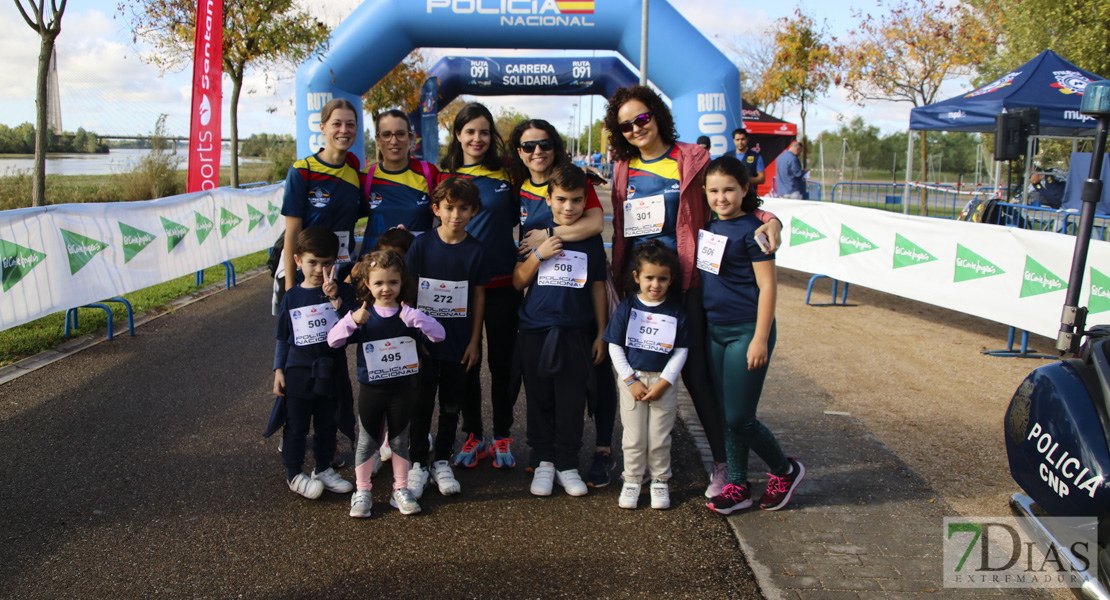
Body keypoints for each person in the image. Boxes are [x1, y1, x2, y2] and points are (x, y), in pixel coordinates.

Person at [604, 85, 783, 499]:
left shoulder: (691, 158)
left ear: (657, 115)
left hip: (688, 283)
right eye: (626, 125)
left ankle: (725, 465)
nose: (635, 128)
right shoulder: (623, 167)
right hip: (643, 288)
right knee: (639, 366)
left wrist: (771, 218)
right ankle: (639, 466)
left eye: (642, 118)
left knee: (698, 374)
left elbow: (732, 197)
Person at [508, 119, 616, 487]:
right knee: (538, 397)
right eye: (561, 200)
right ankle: (543, 462)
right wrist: (539, 252)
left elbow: (598, 286)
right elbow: (518, 279)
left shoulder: (586, 236)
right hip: (536, 326)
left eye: (575, 201)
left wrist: (601, 332)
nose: (569, 207)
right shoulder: (529, 211)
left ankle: (568, 462)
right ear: (549, 199)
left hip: (576, 329)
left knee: (571, 398)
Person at [699, 156, 804, 514]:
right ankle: (738, 486)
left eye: (729, 189)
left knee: (739, 417)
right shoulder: (708, 225)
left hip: (746, 331)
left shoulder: (754, 231)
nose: (721, 197)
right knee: (728, 412)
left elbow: (768, 286)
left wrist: (760, 338)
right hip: (715, 331)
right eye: (714, 190)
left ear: (745, 189)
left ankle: (785, 470)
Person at [327, 251, 445, 517]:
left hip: (402, 390)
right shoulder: (364, 314)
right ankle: (363, 491)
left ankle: (400, 490)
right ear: (367, 284)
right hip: (371, 390)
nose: (386, 289)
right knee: (367, 443)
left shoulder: (408, 315)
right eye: (378, 283)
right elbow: (332, 341)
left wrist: (419, 320)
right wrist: (350, 321)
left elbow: (439, 336)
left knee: (400, 441)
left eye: (392, 282)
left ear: (401, 282)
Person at [440, 103, 520, 469]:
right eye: (470, 131)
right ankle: (473, 434)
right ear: (457, 134)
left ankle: (502, 434)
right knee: (465, 364)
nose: (477, 138)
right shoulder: (444, 175)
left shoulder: (508, 172)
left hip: (504, 284)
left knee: (503, 363)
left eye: (484, 131)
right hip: (459, 289)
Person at [404, 178, 490, 499]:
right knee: (420, 403)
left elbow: (479, 297)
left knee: (451, 404)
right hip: (425, 344)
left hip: (458, 344)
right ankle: (416, 463)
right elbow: (408, 296)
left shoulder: (476, 250)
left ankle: (441, 459)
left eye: (463, 208)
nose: (456, 214)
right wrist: (414, 335)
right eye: (449, 207)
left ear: (474, 211)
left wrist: (474, 341)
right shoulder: (422, 245)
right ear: (436, 209)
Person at [271, 226, 357, 500]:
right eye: (312, 262)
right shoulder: (292, 296)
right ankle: (294, 472)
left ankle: (322, 467)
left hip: (331, 369)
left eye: (327, 263)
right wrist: (278, 370)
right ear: (297, 261)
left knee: (327, 422)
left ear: (336, 261)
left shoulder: (343, 291)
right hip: (298, 370)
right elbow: (283, 337)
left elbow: (353, 326)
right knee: (296, 424)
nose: (320, 269)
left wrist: (336, 299)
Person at [603, 241, 689, 510]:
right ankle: (632, 480)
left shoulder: (676, 311)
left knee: (660, 436)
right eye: (649, 278)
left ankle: (660, 480)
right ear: (637, 277)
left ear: (670, 279)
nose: (655, 284)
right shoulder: (627, 308)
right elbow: (614, 345)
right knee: (634, 437)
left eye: (662, 279)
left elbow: (681, 350)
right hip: (633, 383)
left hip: (664, 384)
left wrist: (665, 381)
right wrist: (629, 379)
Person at [281, 98, 365, 298]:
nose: (343, 130)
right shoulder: (303, 170)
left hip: (344, 274)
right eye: (336, 123)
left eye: (350, 124)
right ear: (323, 127)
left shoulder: (355, 171)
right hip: (309, 276)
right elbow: (292, 233)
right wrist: (290, 289)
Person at [361, 110, 440, 253]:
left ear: (410, 138)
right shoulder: (366, 177)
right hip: (376, 268)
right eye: (386, 135)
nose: (394, 141)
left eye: (400, 134)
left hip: (417, 264)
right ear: (378, 140)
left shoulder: (429, 172)